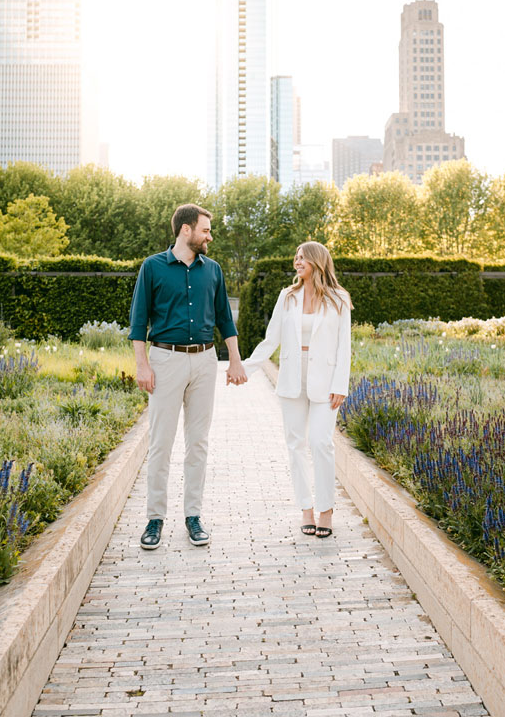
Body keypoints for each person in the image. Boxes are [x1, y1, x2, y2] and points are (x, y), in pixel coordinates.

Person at [129, 204, 247, 550]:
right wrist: (142, 366)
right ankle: (155, 520)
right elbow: (138, 322)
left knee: (198, 443)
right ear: (186, 230)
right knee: (161, 443)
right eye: (206, 230)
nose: (210, 236)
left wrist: (235, 361)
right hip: (165, 360)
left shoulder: (213, 270)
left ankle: (193, 516)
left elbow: (225, 318)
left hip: (205, 361)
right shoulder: (152, 268)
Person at [241, 241, 352, 538]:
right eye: (296, 258)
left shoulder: (339, 299)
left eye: (302, 258)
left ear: (317, 261)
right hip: (292, 377)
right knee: (295, 446)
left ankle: (326, 510)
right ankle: (306, 509)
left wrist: (341, 384)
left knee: (321, 443)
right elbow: (271, 339)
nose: (297, 262)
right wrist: (246, 367)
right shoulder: (287, 297)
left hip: (326, 382)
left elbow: (345, 347)